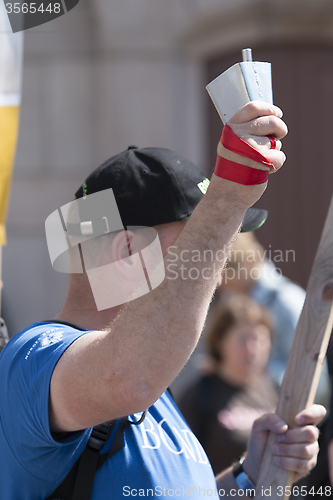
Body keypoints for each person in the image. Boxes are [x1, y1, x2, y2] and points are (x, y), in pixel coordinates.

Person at [0, 102, 324, 499]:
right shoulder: (34, 359)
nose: (218, 271)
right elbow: (125, 377)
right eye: (198, 243)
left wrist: (250, 476)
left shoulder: (153, 384)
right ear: (127, 252)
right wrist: (225, 200)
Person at [178, 295, 278, 474]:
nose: (252, 350)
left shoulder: (275, 390)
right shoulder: (200, 395)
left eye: (259, 340)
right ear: (219, 342)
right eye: (242, 339)